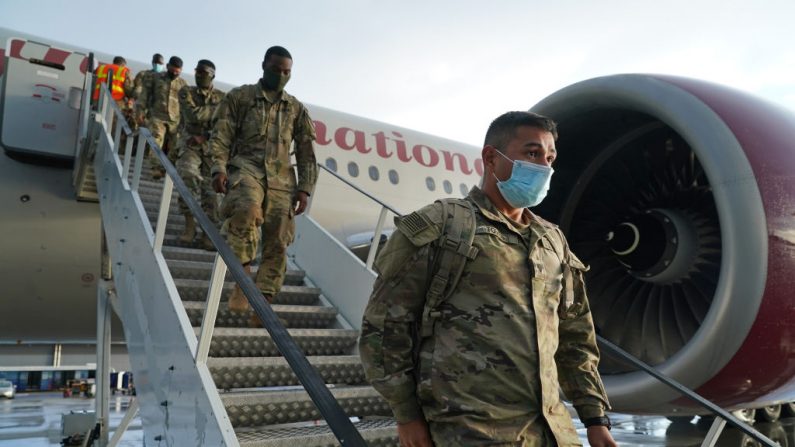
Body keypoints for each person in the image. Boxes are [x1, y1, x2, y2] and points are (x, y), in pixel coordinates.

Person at [359, 111, 616, 447]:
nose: (544, 167)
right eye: (532, 153)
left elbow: (575, 336)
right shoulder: (441, 227)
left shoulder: (552, 240)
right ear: (492, 158)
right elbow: (384, 328)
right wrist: (407, 416)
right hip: (469, 432)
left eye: (550, 157)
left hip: (553, 432)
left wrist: (595, 419)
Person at [209, 46, 318, 327]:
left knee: (278, 243)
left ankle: (263, 308)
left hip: (283, 181)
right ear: (263, 66)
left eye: (287, 72)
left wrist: (305, 187)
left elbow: (306, 152)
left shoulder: (296, 109)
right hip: (247, 168)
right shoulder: (240, 97)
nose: (282, 76)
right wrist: (218, 168)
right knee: (246, 209)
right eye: (276, 70)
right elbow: (220, 136)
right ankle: (243, 281)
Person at [175, 59, 225, 250]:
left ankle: (207, 233)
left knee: (212, 193)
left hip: (212, 149)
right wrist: (216, 111)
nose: (198, 75)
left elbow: (225, 126)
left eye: (203, 73)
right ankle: (189, 226)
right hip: (190, 145)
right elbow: (192, 115)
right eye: (197, 72)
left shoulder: (223, 97)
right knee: (186, 176)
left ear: (212, 75)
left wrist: (205, 136)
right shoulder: (186, 92)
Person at [136, 56, 187, 178]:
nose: (174, 73)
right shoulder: (156, 78)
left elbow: (187, 105)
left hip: (175, 120)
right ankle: (156, 168)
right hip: (157, 116)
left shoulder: (183, 84)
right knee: (156, 139)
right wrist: (140, 111)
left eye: (177, 72)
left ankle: (168, 169)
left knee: (176, 146)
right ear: (168, 66)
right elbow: (144, 95)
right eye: (173, 70)